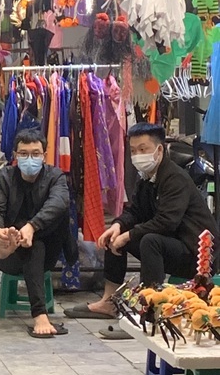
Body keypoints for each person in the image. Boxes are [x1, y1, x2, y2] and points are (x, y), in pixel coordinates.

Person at [65, 123, 219, 326]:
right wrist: (118, 226)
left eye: (143, 149)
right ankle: (109, 302)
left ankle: (150, 311)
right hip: (173, 244)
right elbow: (135, 212)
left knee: (149, 241)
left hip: (197, 256)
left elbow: (166, 222)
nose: (138, 155)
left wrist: (128, 235)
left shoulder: (175, 179)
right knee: (116, 238)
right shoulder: (146, 178)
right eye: (134, 150)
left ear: (159, 150)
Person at [0, 128, 70, 337]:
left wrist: (32, 227)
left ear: (44, 155)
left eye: (35, 153)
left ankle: (39, 313)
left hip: (46, 249)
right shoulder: (4, 177)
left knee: (35, 245)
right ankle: (39, 315)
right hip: (10, 255)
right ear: (15, 155)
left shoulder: (55, 176)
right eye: (23, 153)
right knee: (22, 243)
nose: (29, 158)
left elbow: (59, 203)